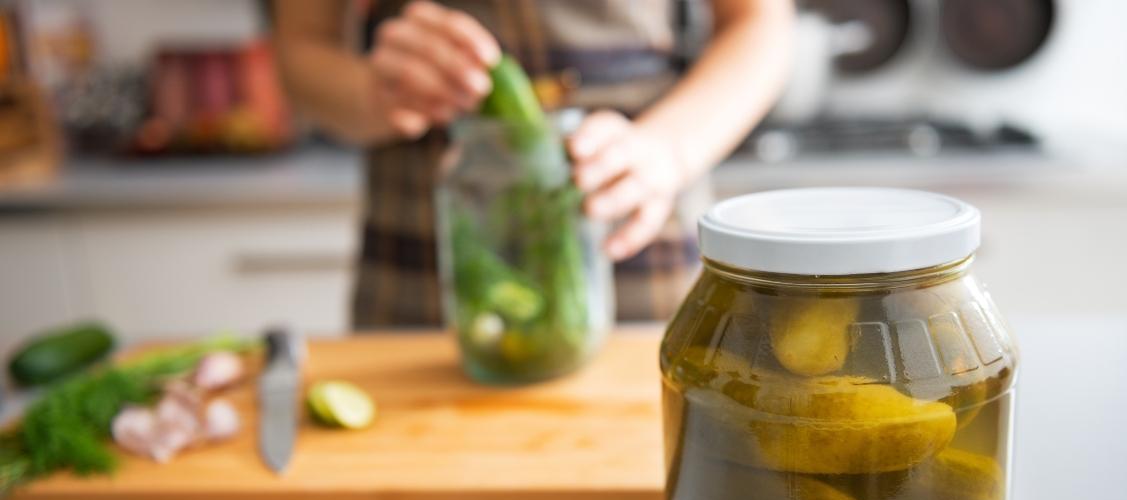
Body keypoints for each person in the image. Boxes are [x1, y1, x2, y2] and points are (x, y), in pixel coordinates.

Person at [271, 0, 792, 326]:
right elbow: (302, 47)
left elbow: (761, 20)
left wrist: (668, 147)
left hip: (634, 204)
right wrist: (372, 92)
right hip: (423, 236)